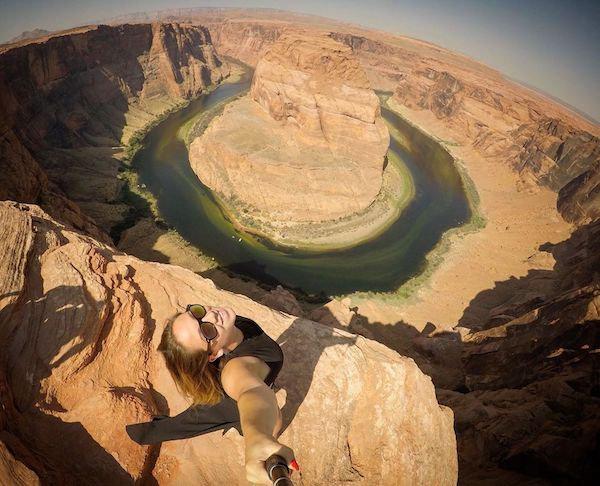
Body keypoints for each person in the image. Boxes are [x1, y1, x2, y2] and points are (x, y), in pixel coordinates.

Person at [126, 304, 298, 484]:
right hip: (231, 402)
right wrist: (258, 437)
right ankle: (146, 432)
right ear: (214, 355)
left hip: (247, 386)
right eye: (207, 331)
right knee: (272, 419)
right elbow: (251, 391)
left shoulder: (230, 324)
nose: (212, 317)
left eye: (197, 313)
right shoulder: (235, 370)